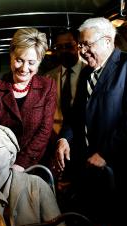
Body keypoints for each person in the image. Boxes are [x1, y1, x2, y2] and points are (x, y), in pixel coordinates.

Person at [55, 17, 127, 226]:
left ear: (108, 41)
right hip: (90, 171)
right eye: (80, 45)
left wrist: (104, 153)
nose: (82, 51)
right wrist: (64, 138)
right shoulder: (86, 74)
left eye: (87, 45)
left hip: (122, 171)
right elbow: (75, 117)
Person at [0, 28, 57, 172]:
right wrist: (6, 164)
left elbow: (45, 130)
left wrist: (21, 164)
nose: (24, 68)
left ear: (39, 62)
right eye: (19, 60)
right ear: (11, 56)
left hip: (38, 163)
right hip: (2, 164)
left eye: (31, 62)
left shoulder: (48, 86)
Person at [44, 28, 85, 178]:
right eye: (59, 47)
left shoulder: (91, 71)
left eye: (68, 46)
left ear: (78, 45)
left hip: (85, 141)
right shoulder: (49, 77)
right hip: (57, 140)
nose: (63, 51)